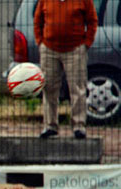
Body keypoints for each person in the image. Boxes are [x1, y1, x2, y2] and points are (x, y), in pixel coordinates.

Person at [34, 0, 97, 139]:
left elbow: (92, 21)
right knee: (49, 88)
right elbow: (38, 20)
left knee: (77, 89)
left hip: (75, 49)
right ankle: (50, 126)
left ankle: (79, 126)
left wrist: (86, 44)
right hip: (49, 49)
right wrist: (40, 42)